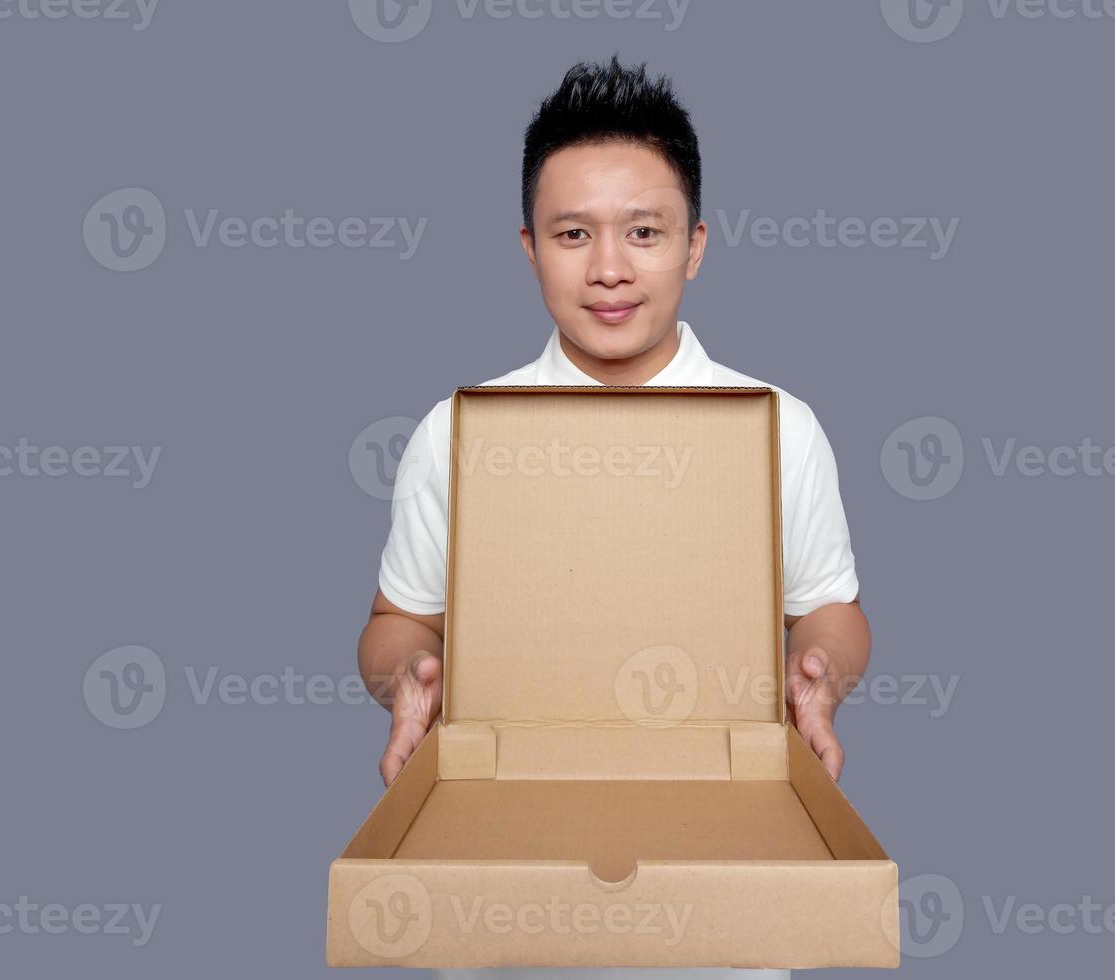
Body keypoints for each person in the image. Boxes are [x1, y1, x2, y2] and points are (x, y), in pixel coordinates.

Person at [357, 54, 872, 980]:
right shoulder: (458, 431)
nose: (607, 270)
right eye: (570, 234)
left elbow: (831, 609)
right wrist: (409, 681)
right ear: (527, 247)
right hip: (503, 879)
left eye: (643, 231)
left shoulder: (776, 427)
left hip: (722, 875)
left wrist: (820, 678)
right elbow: (397, 623)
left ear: (696, 245)